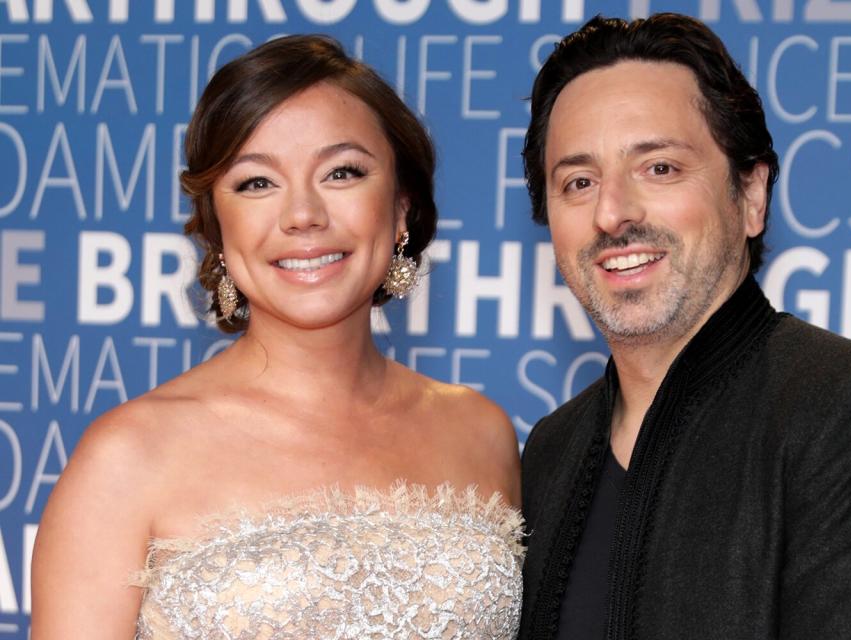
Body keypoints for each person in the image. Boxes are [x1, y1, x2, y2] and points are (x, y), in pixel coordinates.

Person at [31, 35, 523, 639]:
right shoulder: (127, 458)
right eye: (257, 183)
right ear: (217, 229)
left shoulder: (481, 433)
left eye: (342, 172)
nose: (302, 215)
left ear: (400, 209)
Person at [518, 13, 851, 640]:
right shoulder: (551, 450)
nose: (612, 213)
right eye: (579, 182)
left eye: (660, 168)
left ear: (752, 194)